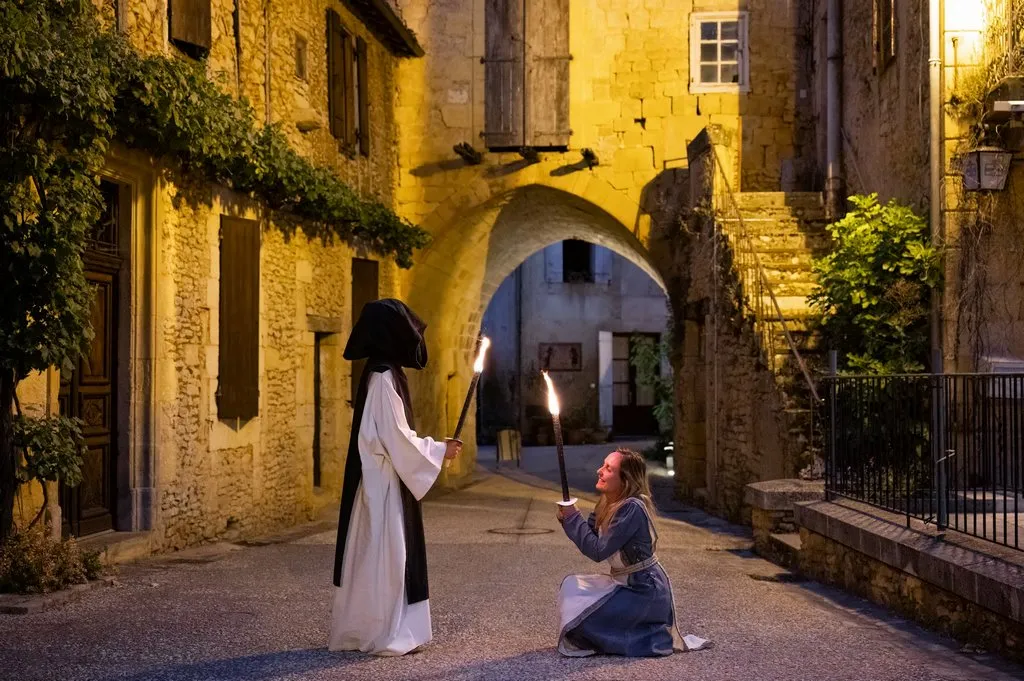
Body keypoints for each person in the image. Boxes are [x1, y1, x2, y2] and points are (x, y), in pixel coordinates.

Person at [329, 299, 462, 656]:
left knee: (381, 554)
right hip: (383, 484)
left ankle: (380, 629)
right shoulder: (384, 377)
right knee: (389, 556)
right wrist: (438, 450)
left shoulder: (379, 372)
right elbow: (395, 438)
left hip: (381, 481)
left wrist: (434, 449)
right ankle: (385, 633)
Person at [555, 449, 710, 657]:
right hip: (622, 582)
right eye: (603, 465)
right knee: (572, 590)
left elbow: (598, 551)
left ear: (625, 480)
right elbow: (590, 538)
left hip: (643, 590)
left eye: (608, 469)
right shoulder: (606, 503)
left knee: (583, 620)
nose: (599, 471)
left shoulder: (631, 509)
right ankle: (620, 629)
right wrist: (569, 518)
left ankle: (648, 634)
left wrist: (573, 518)